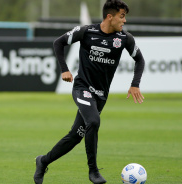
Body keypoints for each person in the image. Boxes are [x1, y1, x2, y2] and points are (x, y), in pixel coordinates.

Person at [34, 0, 145, 183]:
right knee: (93, 121)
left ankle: (43, 161)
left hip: (100, 95)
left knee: (75, 136)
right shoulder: (86, 32)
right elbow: (58, 43)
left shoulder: (125, 39)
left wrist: (135, 84)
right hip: (82, 88)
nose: (124, 21)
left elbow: (140, 60)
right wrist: (64, 69)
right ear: (110, 16)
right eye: (122, 16)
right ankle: (93, 171)